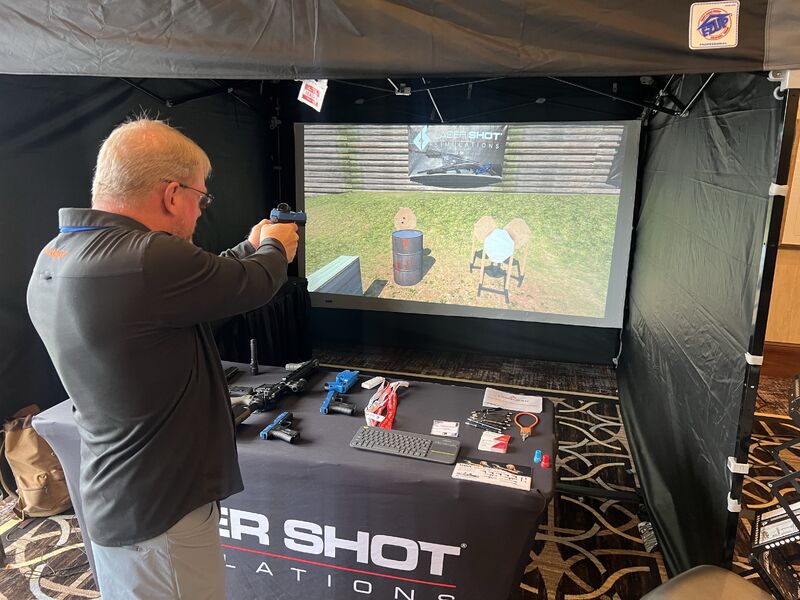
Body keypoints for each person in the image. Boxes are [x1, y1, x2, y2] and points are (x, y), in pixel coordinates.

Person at [26, 117, 299, 599]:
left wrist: (250, 247)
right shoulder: (147, 258)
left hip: (120, 494)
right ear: (173, 194)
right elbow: (253, 284)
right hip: (163, 508)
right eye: (200, 198)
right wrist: (277, 246)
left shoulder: (58, 253)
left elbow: (203, 283)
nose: (199, 214)